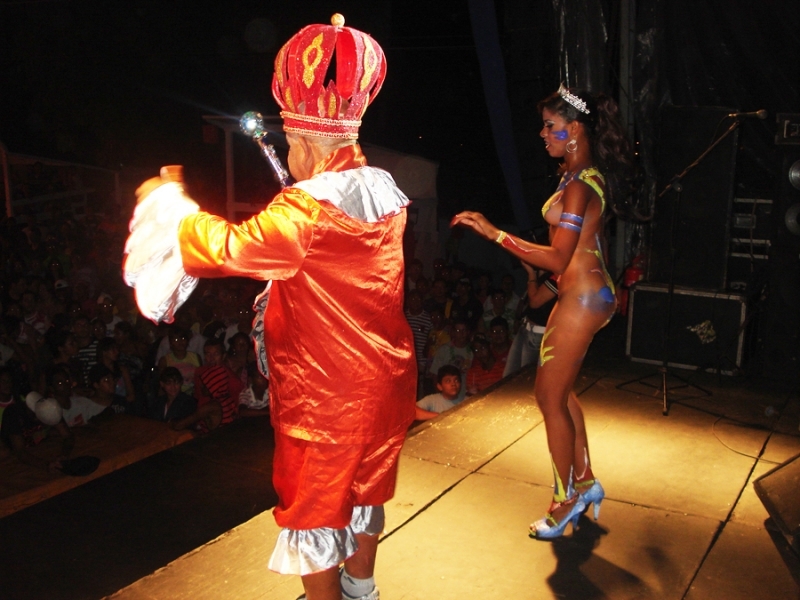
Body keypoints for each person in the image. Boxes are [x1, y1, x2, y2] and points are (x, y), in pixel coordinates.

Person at [123, 14, 414, 600]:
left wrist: (172, 204)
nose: (289, 154)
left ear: (304, 142)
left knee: (314, 508)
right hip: (385, 382)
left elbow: (227, 248)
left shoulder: (305, 213)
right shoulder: (383, 191)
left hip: (328, 396)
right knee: (364, 490)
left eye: (290, 143)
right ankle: (363, 587)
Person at [451, 84, 633, 539]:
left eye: (549, 126)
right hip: (582, 293)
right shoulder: (574, 177)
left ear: (573, 130)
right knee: (562, 392)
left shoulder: (580, 184)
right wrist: (543, 287)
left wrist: (495, 234)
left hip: (584, 298)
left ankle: (564, 500)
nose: (541, 134)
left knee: (548, 398)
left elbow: (556, 258)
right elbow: (563, 255)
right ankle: (586, 482)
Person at [504, 263, 558, 377]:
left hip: (538, 334)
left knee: (525, 379)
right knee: (509, 376)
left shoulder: (557, 277)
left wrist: (531, 274)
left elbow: (534, 302)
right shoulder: (543, 274)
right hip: (525, 328)